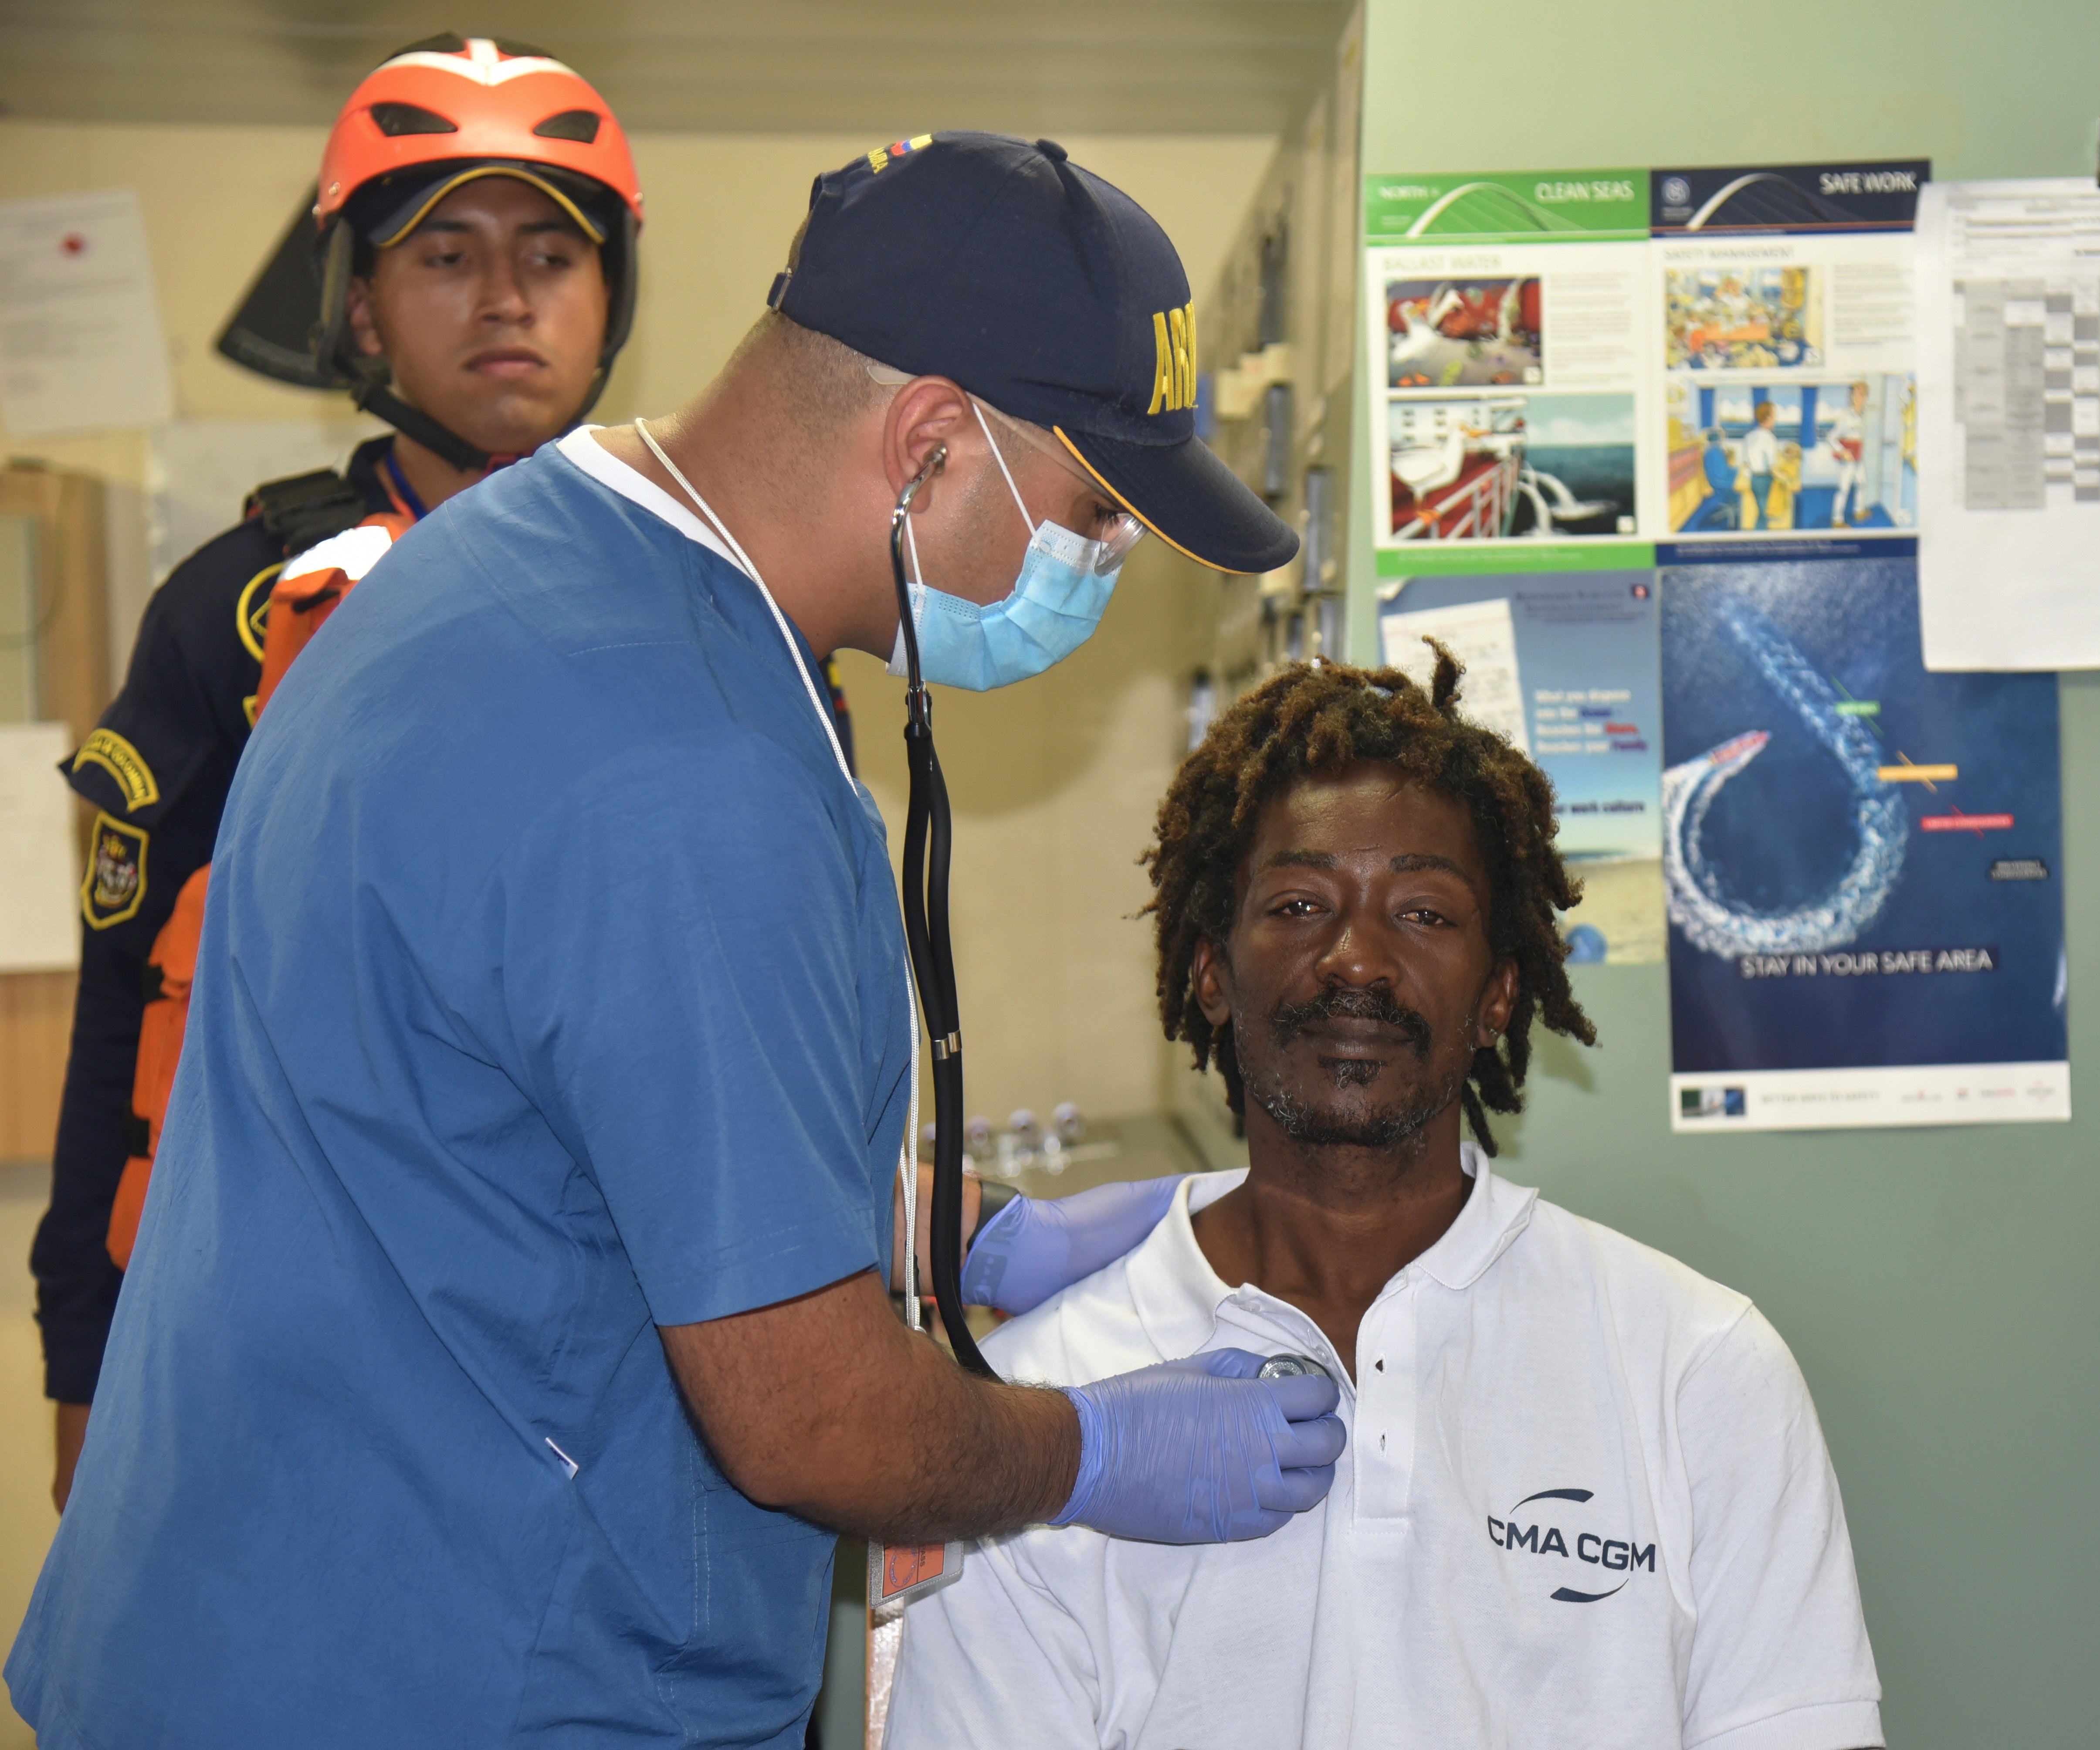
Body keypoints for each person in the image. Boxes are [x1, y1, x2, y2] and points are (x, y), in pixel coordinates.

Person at [9, 132, 1345, 1747]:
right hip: (458, 1678)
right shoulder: (686, 765)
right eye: (1092, 512)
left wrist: (955, 1230)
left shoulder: (506, 570)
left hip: (240, 1632)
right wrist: (1097, 1454)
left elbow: (510, 1104)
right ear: (927, 445)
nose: (1105, 566)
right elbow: (811, 1421)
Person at [885, 648, 1884, 1750]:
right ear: (1211, 968)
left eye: (1423, 912)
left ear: (1501, 989)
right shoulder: (1044, 1410)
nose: (1355, 958)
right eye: (1302, 902)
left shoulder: (1696, 1367)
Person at [33, 31, 660, 1513]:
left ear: (608, 297)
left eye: (551, 254)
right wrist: (85, 1373)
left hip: (612, 1362)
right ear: (361, 311)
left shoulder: (710, 598)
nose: (507, 296)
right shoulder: (236, 609)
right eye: (444, 252)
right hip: (278, 1356)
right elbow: (128, 1017)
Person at [1828, 378, 1870, 527]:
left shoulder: (1863, 415)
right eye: (1856, 394)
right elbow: (1832, 438)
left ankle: (1859, 511)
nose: (1858, 397)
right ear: (1851, 396)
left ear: (1865, 397)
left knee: (1862, 483)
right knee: (1844, 488)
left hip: (1859, 456)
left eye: (1862, 394)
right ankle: (1837, 520)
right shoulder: (1846, 416)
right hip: (1849, 458)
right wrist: (1843, 452)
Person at [1741, 397, 1782, 531]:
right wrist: (1785, 478)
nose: (1776, 418)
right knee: (1766, 513)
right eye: (1775, 415)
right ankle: (1759, 537)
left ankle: (1760, 533)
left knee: (1762, 511)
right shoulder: (1769, 438)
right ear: (1769, 417)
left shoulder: (1750, 436)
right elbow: (1773, 468)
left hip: (1754, 479)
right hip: (1765, 480)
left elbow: (1746, 462)